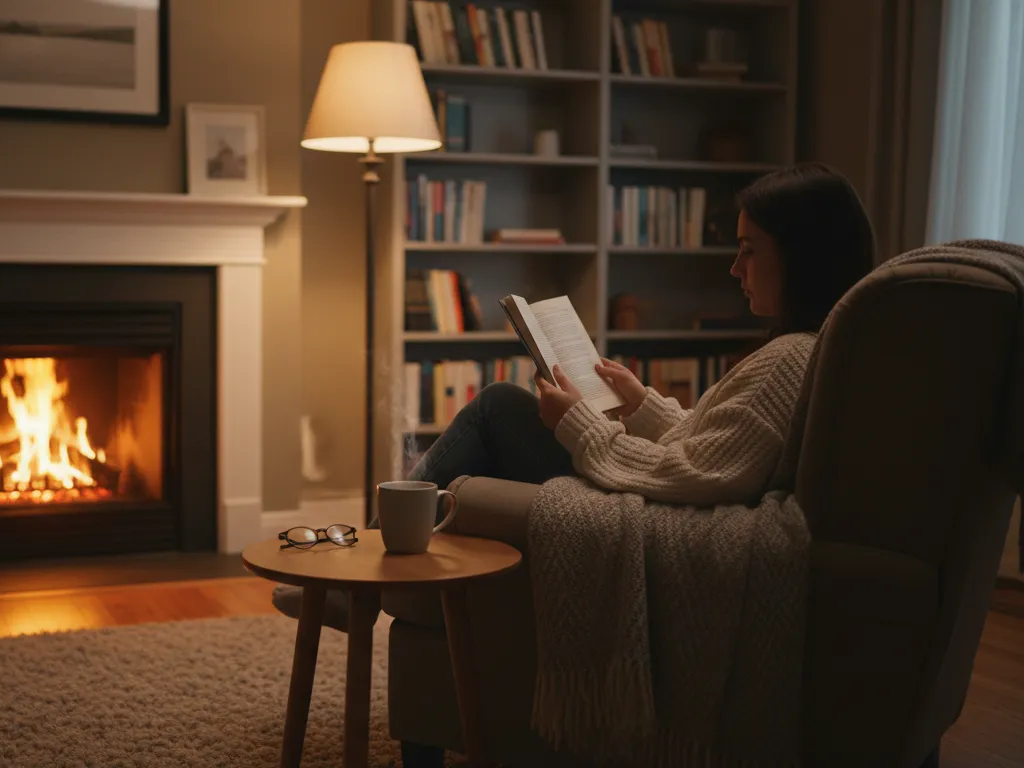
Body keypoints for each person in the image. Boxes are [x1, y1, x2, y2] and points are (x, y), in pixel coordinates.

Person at [274, 161, 876, 630]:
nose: (734, 268)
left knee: (496, 408)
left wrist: (582, 424)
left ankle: (357, 584)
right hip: (659, 494)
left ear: (800, 256)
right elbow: (717, 446)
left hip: (658, 515)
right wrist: (641, 404)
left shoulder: (790, 357)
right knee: (501, 407)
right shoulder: (804, 349)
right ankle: (362, 581)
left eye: (749, 249)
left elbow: (697, 475)